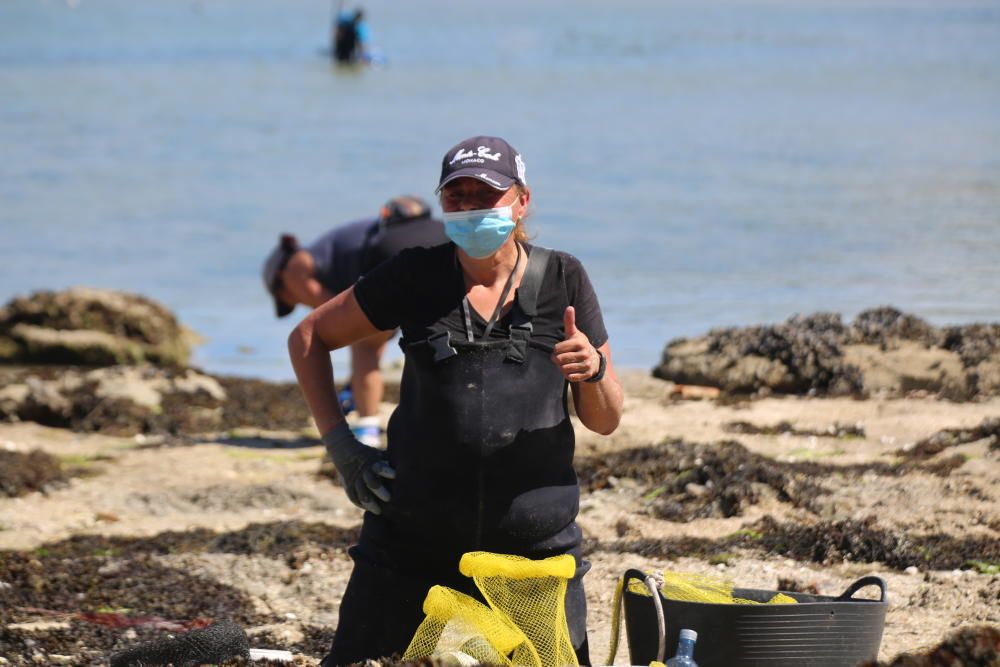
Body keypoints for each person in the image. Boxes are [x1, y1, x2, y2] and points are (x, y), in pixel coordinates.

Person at [288, 136, 623, 666]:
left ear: (521, 201)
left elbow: (605, 419)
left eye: (484, 194)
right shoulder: (412, 275)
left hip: (534, 559)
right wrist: (343, 448)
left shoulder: (564, 278)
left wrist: (595, 371)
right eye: (457, 196)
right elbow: (308, 337)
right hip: (409, 546)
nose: (469, 208)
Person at [264, 195, 446, 446]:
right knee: (440, 333)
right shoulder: (330, 252)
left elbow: (345, 315)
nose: (297, 304)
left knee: (365, 346)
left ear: (279, 282)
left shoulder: (295, 270)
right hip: (442, 237)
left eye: (288, 302)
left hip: (393, 250)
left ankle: (368, 429)